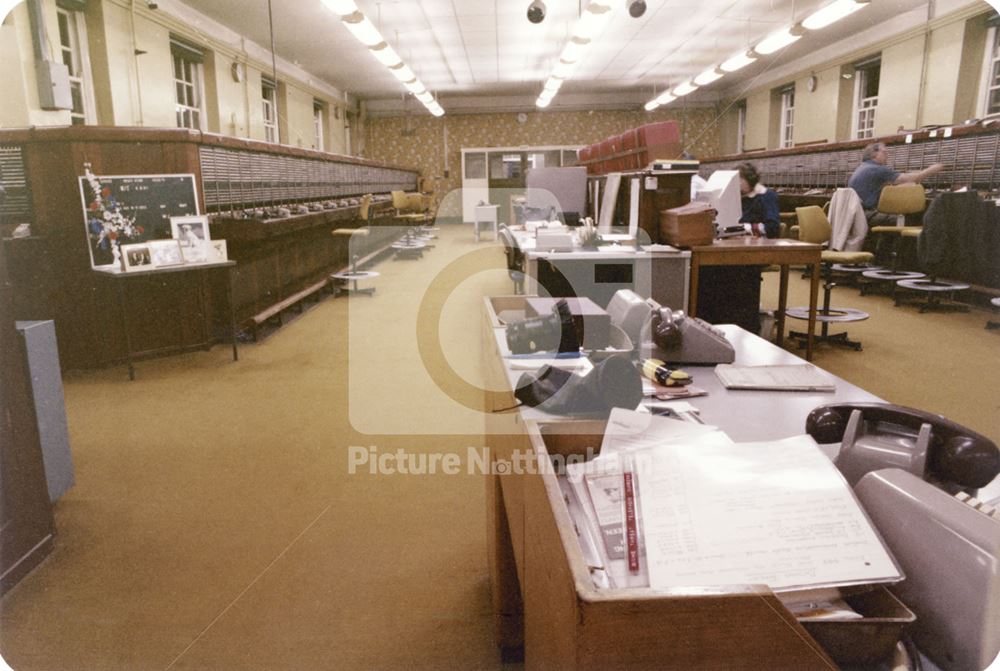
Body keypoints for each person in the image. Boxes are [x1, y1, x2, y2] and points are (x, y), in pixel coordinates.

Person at [847, 142, 944, 224]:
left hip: (857, 214)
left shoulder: (863, 168)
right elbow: (909, 179)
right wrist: (931, 170)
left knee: (902, 218)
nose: (887, 155)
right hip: (866, 215)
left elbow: (889, 186)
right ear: (874, 154)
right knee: (912, 219)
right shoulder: (876, 169)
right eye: (884, 152)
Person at [738, 162, 780, 238]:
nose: (737, 183)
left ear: (750, 179)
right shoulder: (739, 197)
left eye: (740, 179)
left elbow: (772, 226)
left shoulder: (767, 195)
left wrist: (746, 228)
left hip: (762, 242)